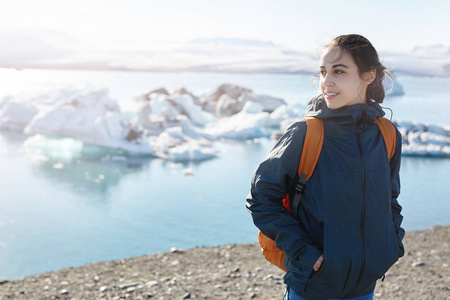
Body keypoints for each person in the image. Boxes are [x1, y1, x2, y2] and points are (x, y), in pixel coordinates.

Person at [246, 34, 405, 300]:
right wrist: (306, 252)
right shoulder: (305, 133)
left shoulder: (386, 134)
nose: (326, 82)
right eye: (323, 72)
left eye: (339, 71)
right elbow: (261, 199)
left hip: (364, 287)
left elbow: (390, 199)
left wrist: (390, 246)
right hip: (312, 285)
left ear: (368, 75)